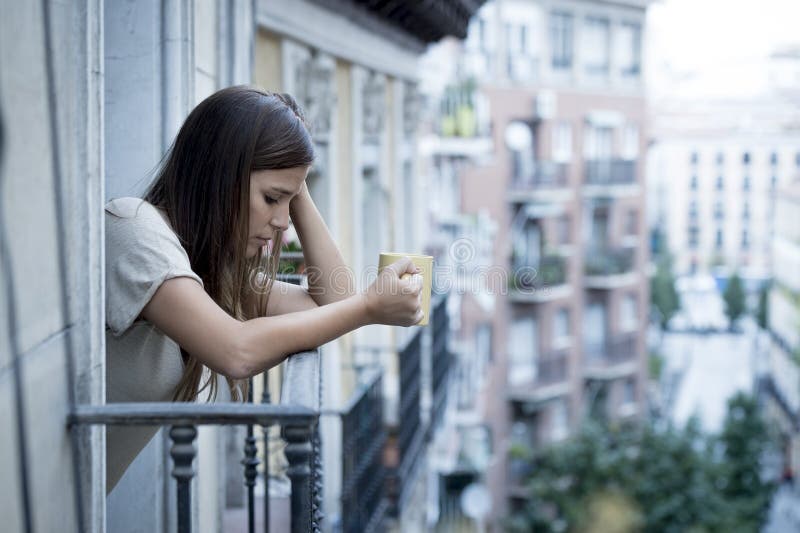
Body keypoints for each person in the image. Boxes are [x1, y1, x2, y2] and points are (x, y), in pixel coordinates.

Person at [105, 86, 423, 492]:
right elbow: (235, 352)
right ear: (219, 176)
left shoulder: (204, 268)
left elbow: (334, 303)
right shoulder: (133, 228)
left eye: (287, 202)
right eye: (271, 198)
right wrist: (370, 308)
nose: (282, 222)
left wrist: (296, 180)